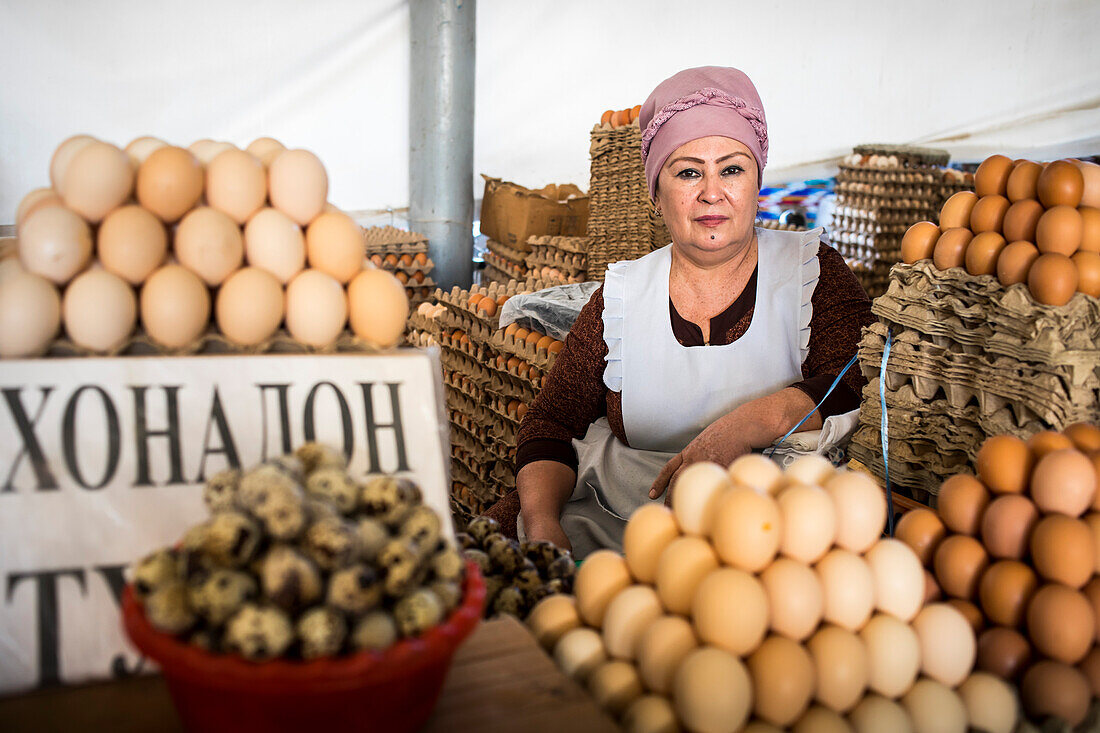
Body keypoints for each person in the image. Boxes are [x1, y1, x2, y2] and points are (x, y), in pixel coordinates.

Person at [487, 66, 875, 559]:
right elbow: (552, 424)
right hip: (623, 524)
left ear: (757, 181)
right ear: (656, 192)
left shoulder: (810, 271)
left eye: (731, 169)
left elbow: (856, 379)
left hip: (771, 530)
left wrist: (744, 425)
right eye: (689, 172)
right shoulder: (623, 296)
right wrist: (542, 522)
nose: (712, 192)